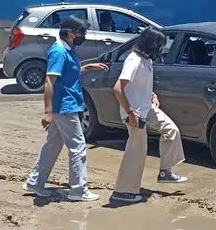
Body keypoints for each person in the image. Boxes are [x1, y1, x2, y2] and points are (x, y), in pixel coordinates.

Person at [24, 16, 109, 202]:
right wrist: (47, 112)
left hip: (66, 105)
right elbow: (50, 81)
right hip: (64, 106)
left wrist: (87, 67)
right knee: (78, 147)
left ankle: (35, 182)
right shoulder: (59, 51)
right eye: (82, 33)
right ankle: (78, 190)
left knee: (53, 145)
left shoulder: (67, 49)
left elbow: (68, 73)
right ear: (70, 33)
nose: (84, 36)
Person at [111, 27, 187, 204]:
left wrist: (152, 95)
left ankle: (165, 171)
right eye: (159, 45)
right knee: (136, 152)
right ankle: (123, 191)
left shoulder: (147, 60)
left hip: (148, 107)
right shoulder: (134, 60)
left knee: (171, 130)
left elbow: (139, 85)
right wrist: (130, 113)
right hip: (135, 112)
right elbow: (117, 89)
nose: (161, 49)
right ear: (151, 44)